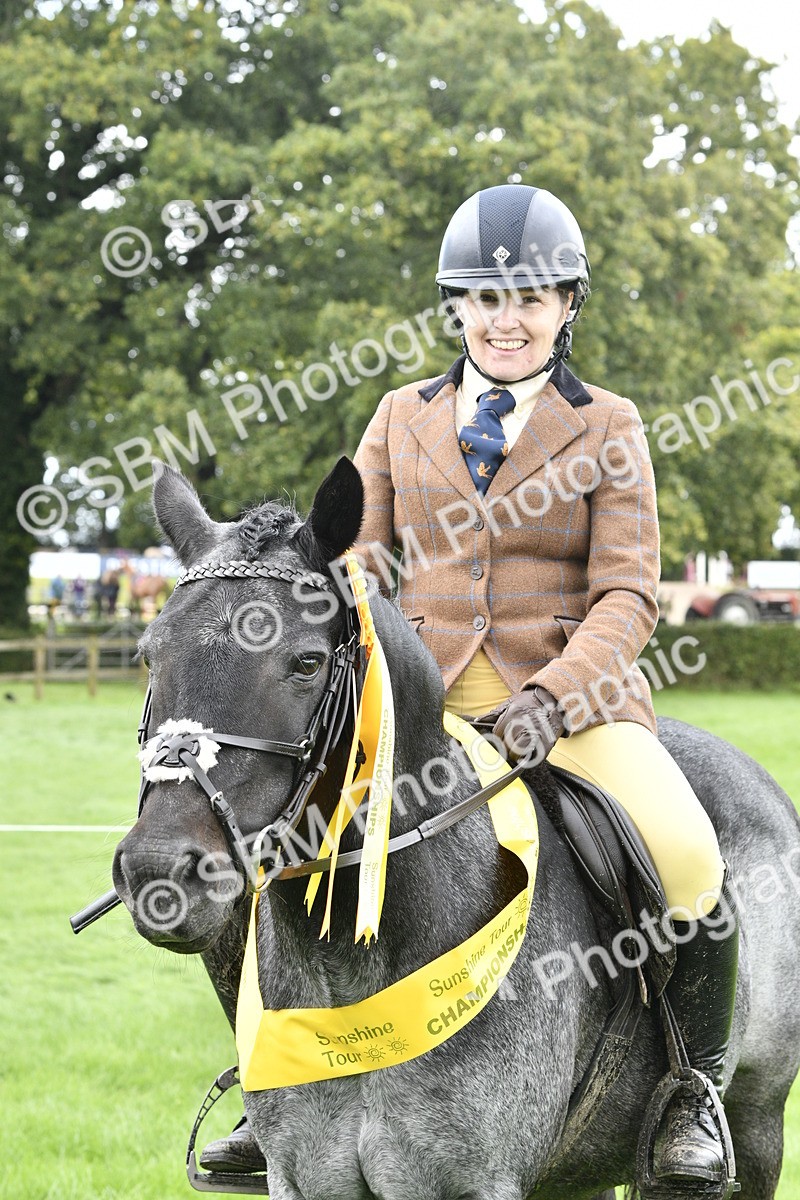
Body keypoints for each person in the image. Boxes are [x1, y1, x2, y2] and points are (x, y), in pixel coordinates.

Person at [201, 184, 738, 1186]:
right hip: (418, 713)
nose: (505, 319)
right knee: (264, 855)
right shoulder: (400, 416)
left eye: (529, 300)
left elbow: (625, 595)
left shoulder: (609, 424)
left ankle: (687, 1093)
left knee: (685, 852)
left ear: (566, 305)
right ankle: (267, 1087)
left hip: (567, 711)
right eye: (484, 301)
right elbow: (351, 559)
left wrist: (556, 696)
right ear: (455, 308)